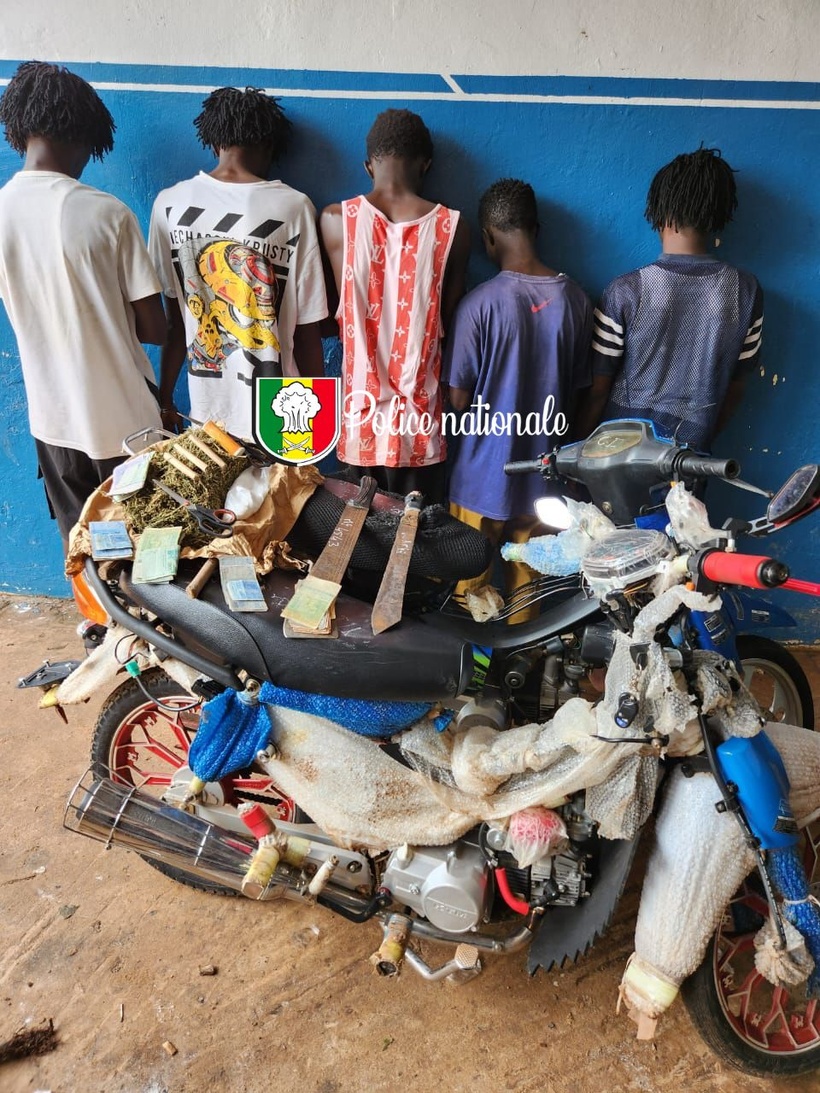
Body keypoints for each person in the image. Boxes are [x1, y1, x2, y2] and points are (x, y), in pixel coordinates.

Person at [0, 61, 165, 548]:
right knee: (146, 542)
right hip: (125, 420)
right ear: (85, 133)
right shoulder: (108, 213)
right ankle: (137, 624)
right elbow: (153, 328)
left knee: (81, 536)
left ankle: (99, 622)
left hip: (52, 418)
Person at [443, 179, 592, 618]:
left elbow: (458, 399)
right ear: (537, 228)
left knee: (467, 594)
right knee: (532, 596)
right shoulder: (577, 301)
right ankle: (522, 675)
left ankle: (474, 680)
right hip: (545, 481)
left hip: (480, 479)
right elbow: (581, 389)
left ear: (488, 237)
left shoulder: (478, 304)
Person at [149, 87, 327, 440]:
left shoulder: (168, 205)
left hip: (206, 409)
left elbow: (173, 320)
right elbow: (307, 329)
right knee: (281, 496)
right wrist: (316, 417)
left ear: (213, 140)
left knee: (212, 495)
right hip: (281, 407)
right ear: (269, 145)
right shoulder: (293, 207)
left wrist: (166, 398)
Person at [320, 108, 469, 501]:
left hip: (359, 422)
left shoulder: (336, 219)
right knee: (419, 546)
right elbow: (448, 322)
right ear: (427, 165)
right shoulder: (452, 227)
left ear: (368, 166)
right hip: (419, 427)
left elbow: (330, 312)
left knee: (356, 545)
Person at [578, 147, 763, 450]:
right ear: (719, 214)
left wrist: (576, 455)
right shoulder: (745, 291)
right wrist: (699, 447)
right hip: (689, 461)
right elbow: (736, 388)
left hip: (615, 461)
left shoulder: (626, 290)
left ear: (659, 209)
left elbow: (598, 390)